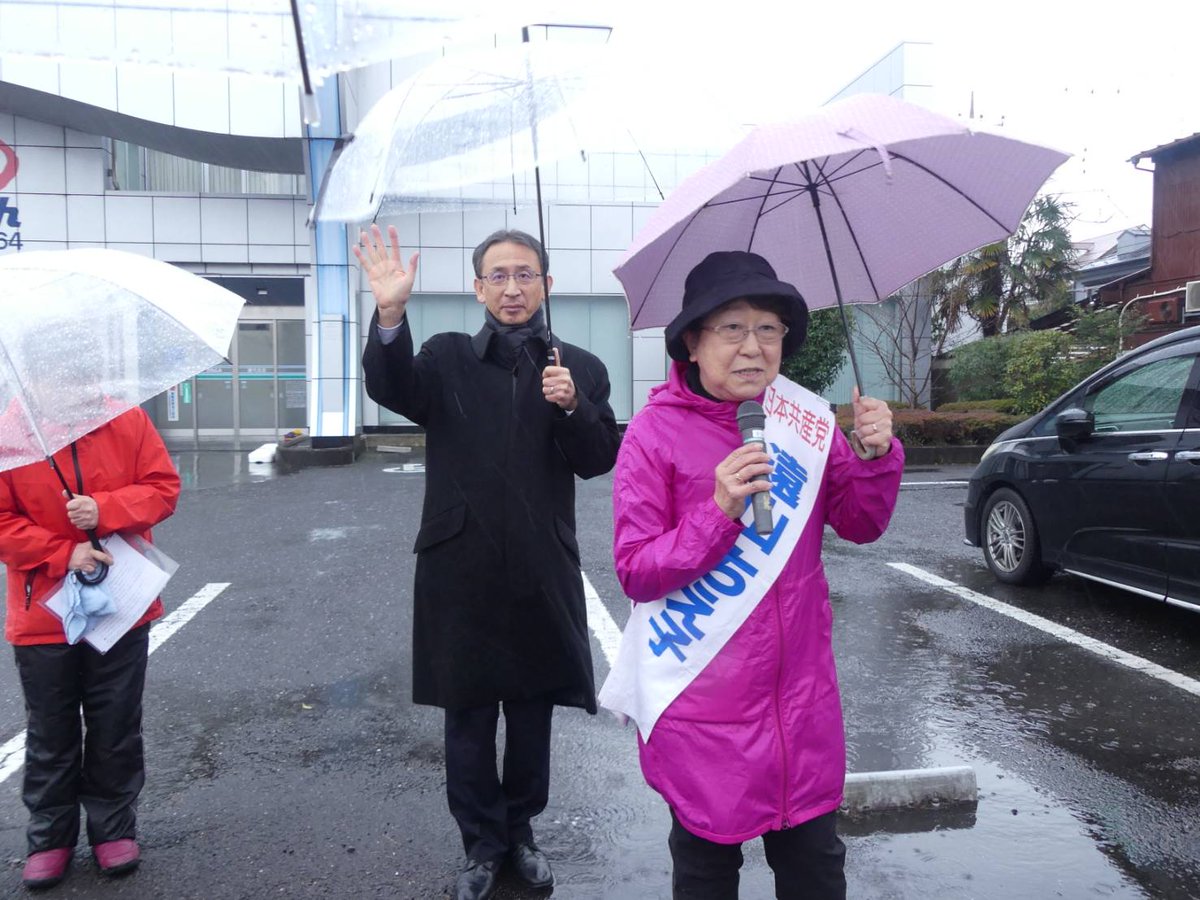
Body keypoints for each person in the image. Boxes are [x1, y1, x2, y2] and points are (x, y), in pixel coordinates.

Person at [601, 250, 904, 899]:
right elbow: (636, 569)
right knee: (707, 876)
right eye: (732, 328)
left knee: (816, 872)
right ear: (693, 341)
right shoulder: (653, 433)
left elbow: (860, 523)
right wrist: (717, 513)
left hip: (802, 706)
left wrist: (876, 455)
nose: (753, 347)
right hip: (702, 710)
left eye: (768, 328)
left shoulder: (804, 420)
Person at [356, 224, 620, 900]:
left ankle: (521, 833)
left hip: (540, 563)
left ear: (546, 285)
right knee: (468, 715)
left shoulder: (578, 368)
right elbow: (392, 388)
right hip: (460, 563)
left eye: (525, 274)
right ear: (478, 288)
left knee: (532, 711)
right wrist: (390, 314)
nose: (512, 287)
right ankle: (480, 844)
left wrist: (574, 406)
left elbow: (598, 461)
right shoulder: (446, 356)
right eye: (497, 275)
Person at [0, 406, 180, 889]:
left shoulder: (127, 420)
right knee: (50, 729)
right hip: (44, 613)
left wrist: (105, 509)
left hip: (121, 604)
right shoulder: (9, 430)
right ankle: (49, 837)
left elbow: (163, 489)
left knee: (116, 722)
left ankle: (113, 828)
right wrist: (65, 553)